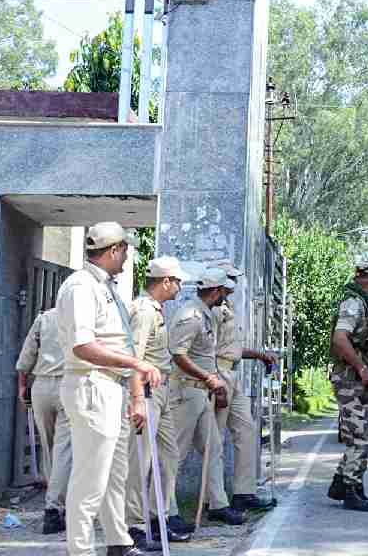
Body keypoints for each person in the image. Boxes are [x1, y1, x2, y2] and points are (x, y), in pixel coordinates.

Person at [57, 222, 162, 556]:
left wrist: (134, 396)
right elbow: (82, 346)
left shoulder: (106, 287)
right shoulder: (81, 287)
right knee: (89, 481)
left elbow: (122, 343)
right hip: (91, 386)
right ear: (114, 249)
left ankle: (119, 542)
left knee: (114, 475)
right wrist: (136, 366)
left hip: (111, 387)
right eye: (126, 249)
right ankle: (81, 551)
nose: (129, 255)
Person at [168, 267, 245, 526]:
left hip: (203, 392)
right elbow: (178, 354)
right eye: (223, 290)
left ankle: (218, 504)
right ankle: (167, 511)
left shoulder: (207, 314)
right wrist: (208, 378)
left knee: (213, 449)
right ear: (214, 291)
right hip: (186, 391)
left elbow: (206, 356)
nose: (226, 295)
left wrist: (215, 383)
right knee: (175, 455)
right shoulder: (191, 316)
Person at [124, 257, 192, 547]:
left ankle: (158, 516)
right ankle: (135, 526)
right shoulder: (143, 311)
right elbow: (134, 358)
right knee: (141, 461)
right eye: (178, 281)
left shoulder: (157, 310)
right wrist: (137, 398)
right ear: (165, 281)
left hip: (161, 389)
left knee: (168, 457)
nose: (179, 287)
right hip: (146, 392)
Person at [208, 259, 279, 512]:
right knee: (213, 442)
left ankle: (243, 492)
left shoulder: (226, 306)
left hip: (232, 374)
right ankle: (215, 502)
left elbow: (232, 349)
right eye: (231, 278)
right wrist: (214, 382)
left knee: (247, 432)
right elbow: (208, 351)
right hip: (218, 374)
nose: (235, 283)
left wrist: (259, 355)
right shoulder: (213, 310)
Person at [327, 261, 368, 511]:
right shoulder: (353, 304)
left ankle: (340, 482)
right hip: (350, 378)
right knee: (361, 435)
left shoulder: (363, 304)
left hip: (357, 378)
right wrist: (361, 368)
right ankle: (352, 490)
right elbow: (340, 339)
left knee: (367, 431)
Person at [16, 307, 70, 535]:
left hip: (41, 387)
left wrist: (21, 386)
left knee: (49, 448)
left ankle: (54, 504)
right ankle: (55, 508)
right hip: (70, 385)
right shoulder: (85, 315)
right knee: (65, 449)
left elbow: (27, 354)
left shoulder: (44, 318)